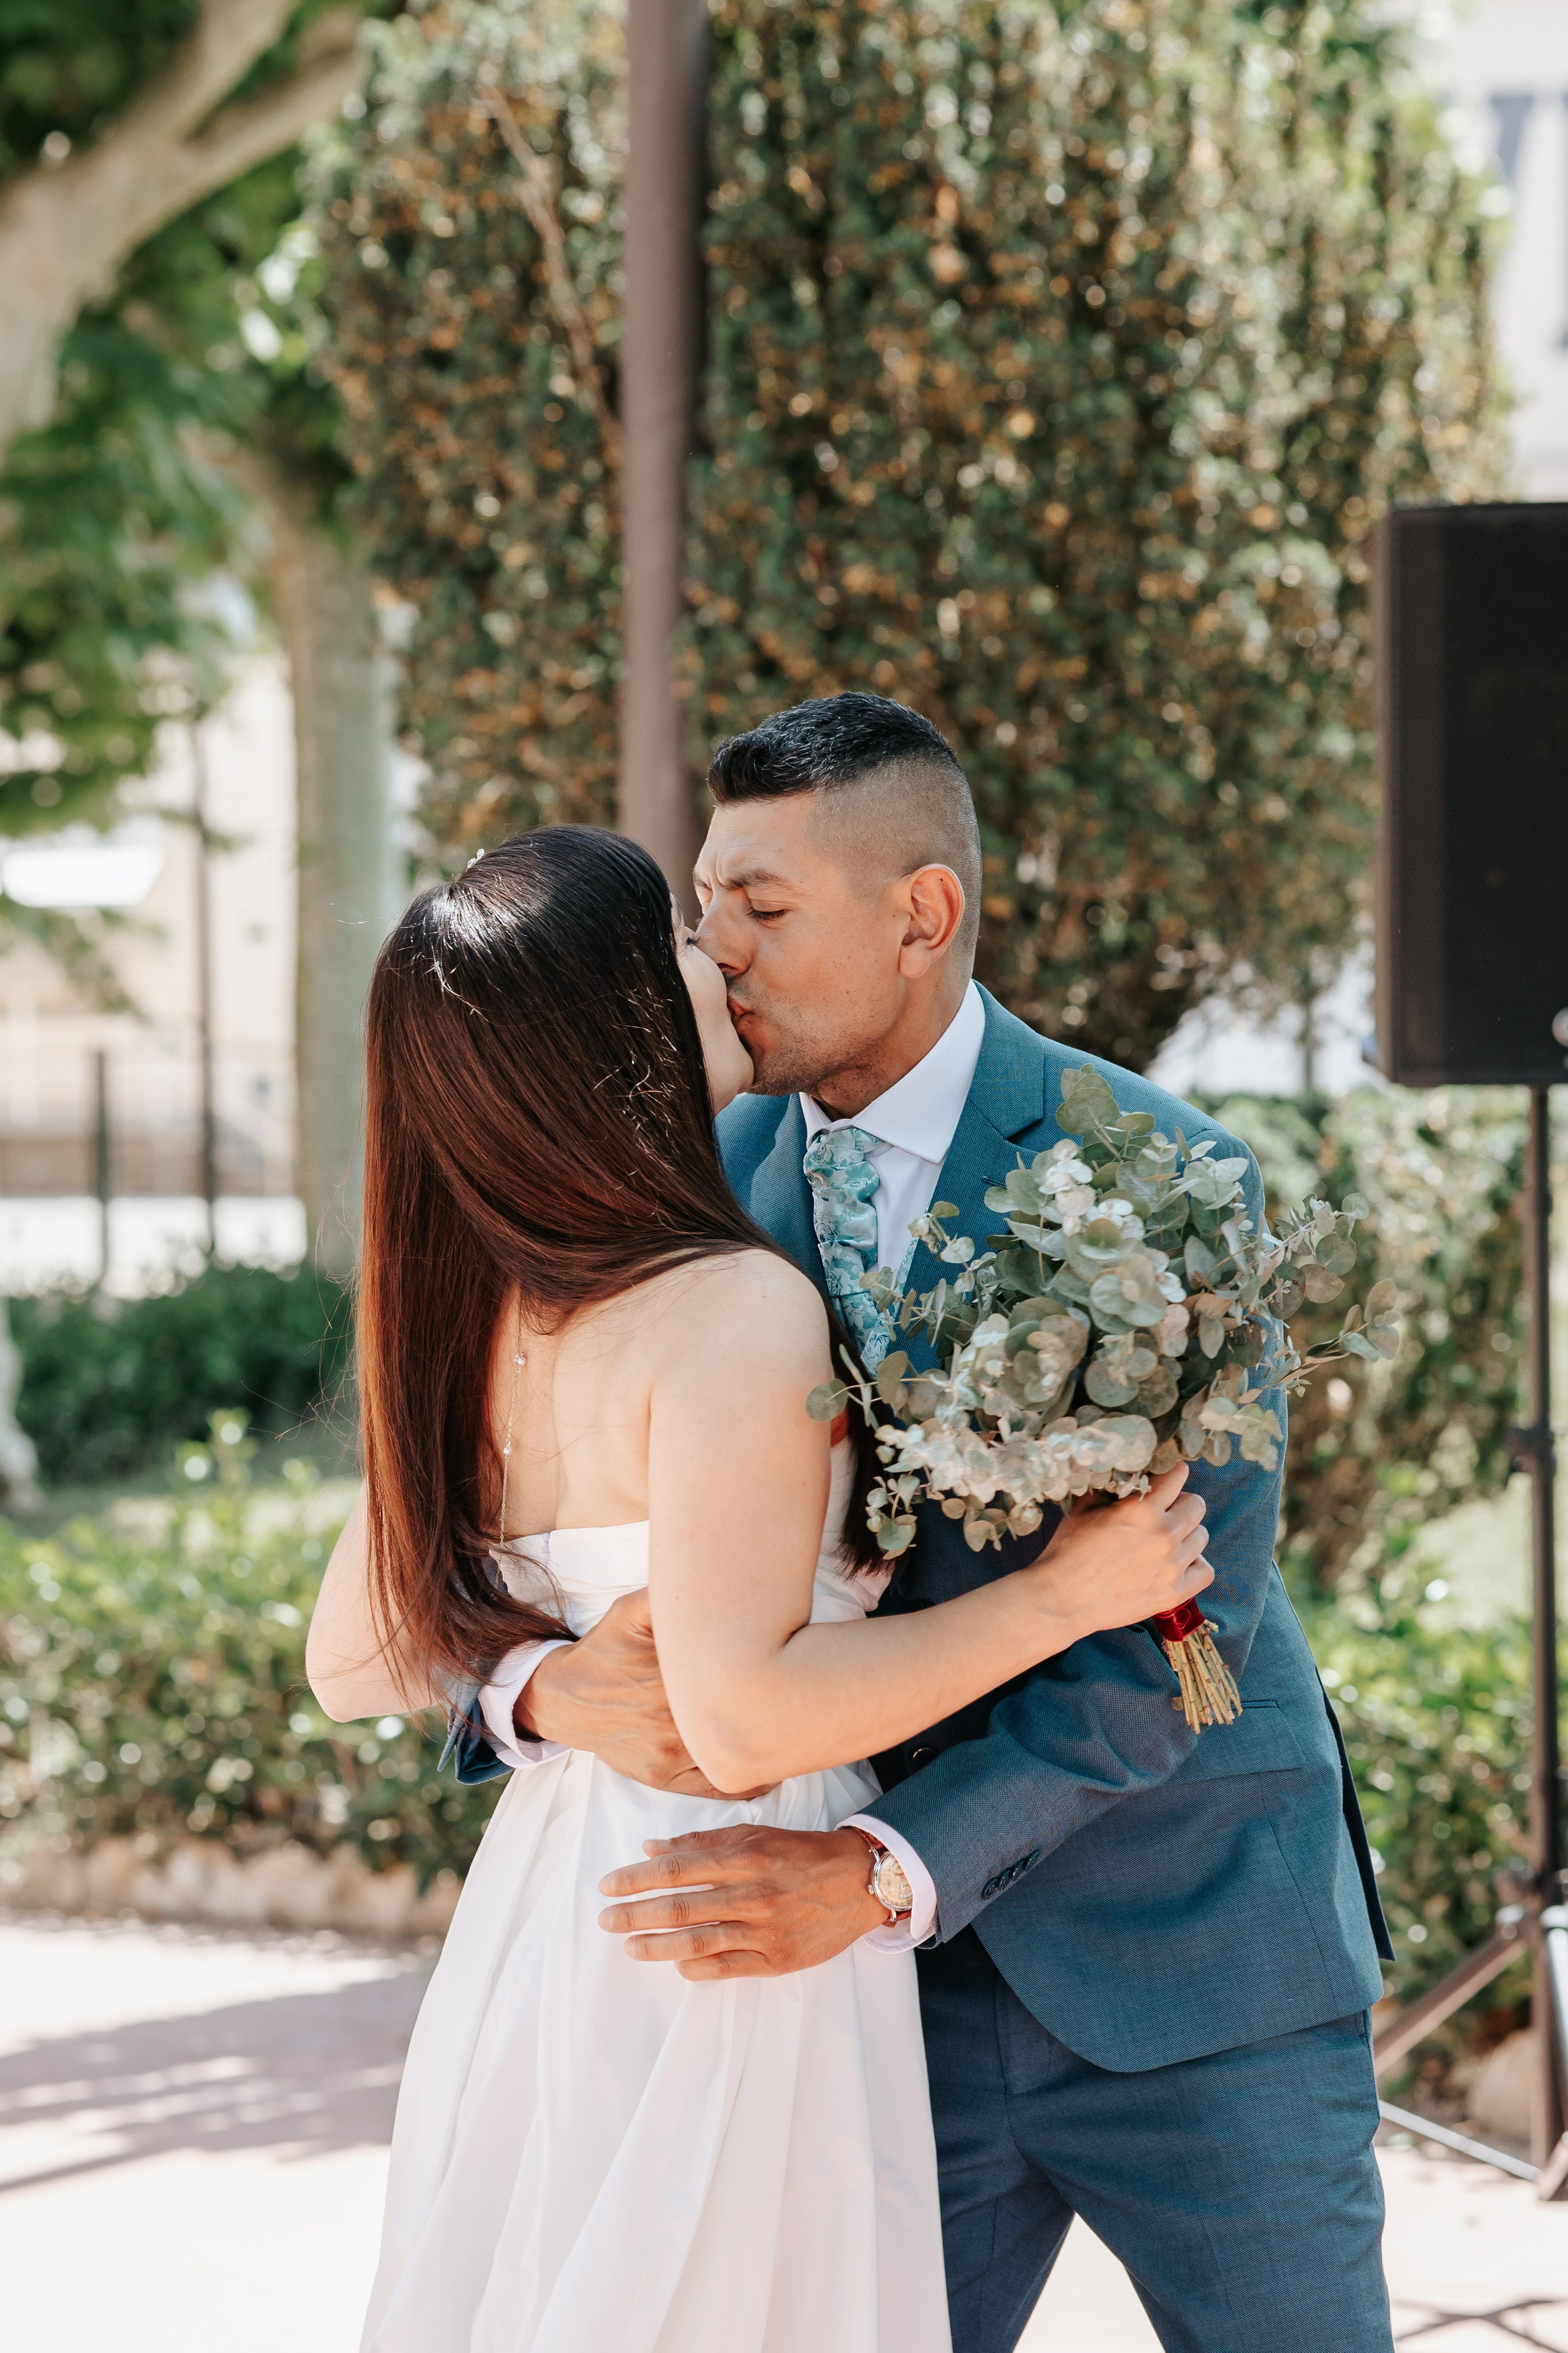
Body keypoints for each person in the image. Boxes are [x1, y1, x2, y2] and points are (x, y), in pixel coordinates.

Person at [455, 696, 1397, 2353]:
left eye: (762, 908)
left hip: (1193, 1969)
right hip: (856, 2016)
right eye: (703, 910)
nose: (718, 954)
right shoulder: (681, 1184)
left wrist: (878, 1871)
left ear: (923, 915)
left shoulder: (1162, 1179)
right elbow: (509, 1515)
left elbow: (1176, 1644)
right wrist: (527, 1689)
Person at [306, 821, 1213, 2353]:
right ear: (613, 1034)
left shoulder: (480, 1307)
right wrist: (1057, 1599)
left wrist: (536, 1687)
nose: (718, 954)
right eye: (676, 933)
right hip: (721, 1908)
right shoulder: (729, 1310)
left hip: (558, 1914)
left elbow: (350, 1654)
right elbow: (741, 1722)